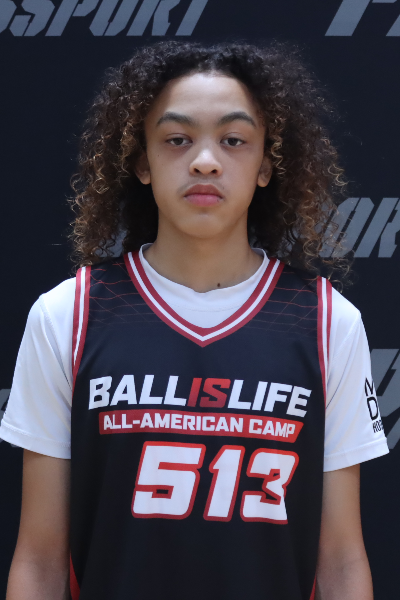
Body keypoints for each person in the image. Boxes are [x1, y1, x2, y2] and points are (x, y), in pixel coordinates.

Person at [0, 41, 389, 600]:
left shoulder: (328, 322)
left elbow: (342, 561)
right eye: (177, 139)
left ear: (266, 165)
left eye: (234, 140)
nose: (205, 161)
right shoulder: (70, 315)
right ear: (142, 162)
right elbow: (39, 561)